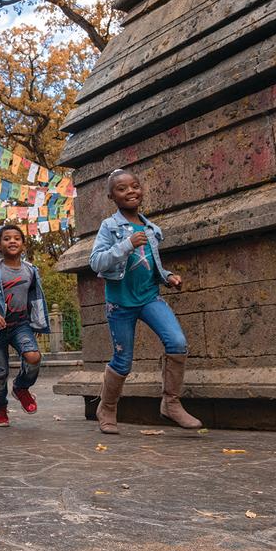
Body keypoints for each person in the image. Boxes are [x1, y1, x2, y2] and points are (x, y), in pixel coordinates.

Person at [89, 168, 202, 434]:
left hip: (150, 297)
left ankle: (171, 403)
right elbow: (96, 262)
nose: (130, 191)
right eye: (122, 188)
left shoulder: (151, 229)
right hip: (120, 304)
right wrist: (126, 244)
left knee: (177, 342)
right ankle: (107, 408)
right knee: (123, 361)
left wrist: (168, 276)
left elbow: (151, 265)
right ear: (111, 196)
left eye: (135, 186)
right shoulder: (110, 227)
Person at [0, 224, 50, 427]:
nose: (12, 241)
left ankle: (21, 387)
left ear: (23, 245)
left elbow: (35, 299)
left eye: (17, 238)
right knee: (0, 373)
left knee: (33, 357)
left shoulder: (30, 271)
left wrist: (37, 323)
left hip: (21, 325)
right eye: (7, 238)